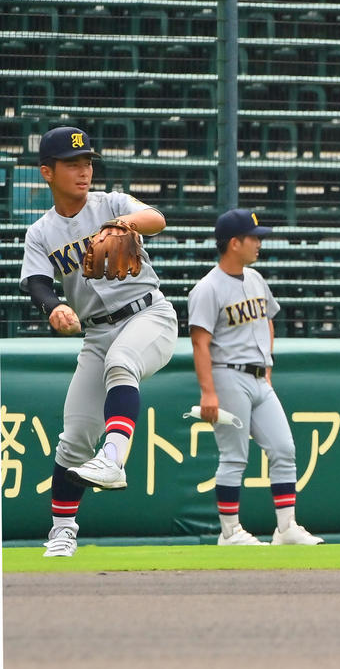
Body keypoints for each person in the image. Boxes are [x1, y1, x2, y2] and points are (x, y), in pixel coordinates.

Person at [19, 126, 179, 557]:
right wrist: (54, 306)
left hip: (149, 314)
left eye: (87, 161)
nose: (83, 170)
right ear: (47, 173)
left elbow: (157, 218)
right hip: (96, 331)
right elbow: (35, 279)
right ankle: (62, 531)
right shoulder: (41, 232)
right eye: (72, 164)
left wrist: (124, 222)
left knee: (123, 362)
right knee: (75, 434)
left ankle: (113, 457)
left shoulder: (112, 203)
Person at [187, 209, 323, 546]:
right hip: (228, 374)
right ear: (234, 243)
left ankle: (286, 528)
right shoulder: (208, 288)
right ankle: (230, 532)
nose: (259, 243)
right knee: (234, 456)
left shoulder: (256, 278)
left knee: (284, 448)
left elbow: (268, 320)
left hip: (260, 378)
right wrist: (208, 392)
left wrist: (269, 368)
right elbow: (200, 343)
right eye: (254, 238)